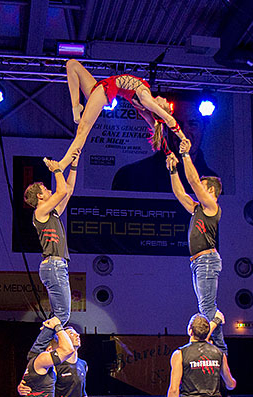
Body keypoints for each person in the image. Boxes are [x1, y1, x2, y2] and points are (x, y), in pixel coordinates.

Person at [54, 59, 187, 170]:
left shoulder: (146, 99)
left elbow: (168, 119)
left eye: (165, 104)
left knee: (82, 130)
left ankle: (63, 164)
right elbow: (158, 133)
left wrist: (183, 138)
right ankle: (76, 107)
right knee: (72, 64)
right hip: (103, 86)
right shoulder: (146, 109)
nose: (165, 100)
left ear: (160, 108)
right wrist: (169, 153)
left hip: (106, 90)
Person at [166, 145, 227, 353]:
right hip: (199, 262)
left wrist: (185, 155)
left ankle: (215, 347)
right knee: (206, 306)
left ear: (210, 191)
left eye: (202, 186)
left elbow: (192, 181)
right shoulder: (198, 209)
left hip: (207, 261)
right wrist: (173, 170)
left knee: (207, 307)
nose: (198, 188)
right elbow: (180, 194)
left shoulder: (212, 207)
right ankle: (219, 348)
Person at [22, 152, 79, 356]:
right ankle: (36, 351)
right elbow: (61, 191)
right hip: (54, 266)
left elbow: (67, 191)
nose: (49, 190)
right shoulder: (40, 212)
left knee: (58, 316)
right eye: (46, 189)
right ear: (39, 196)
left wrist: (73, 167)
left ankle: (39, 350)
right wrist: (56, 170)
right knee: (62, 316)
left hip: (55, 266)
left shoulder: (51, 213)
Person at [112, 98, 220, 193]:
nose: (185, 131)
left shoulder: (211, 181)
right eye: (179, 124)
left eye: (192, 124)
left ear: (204, 126)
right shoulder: (130, 174)